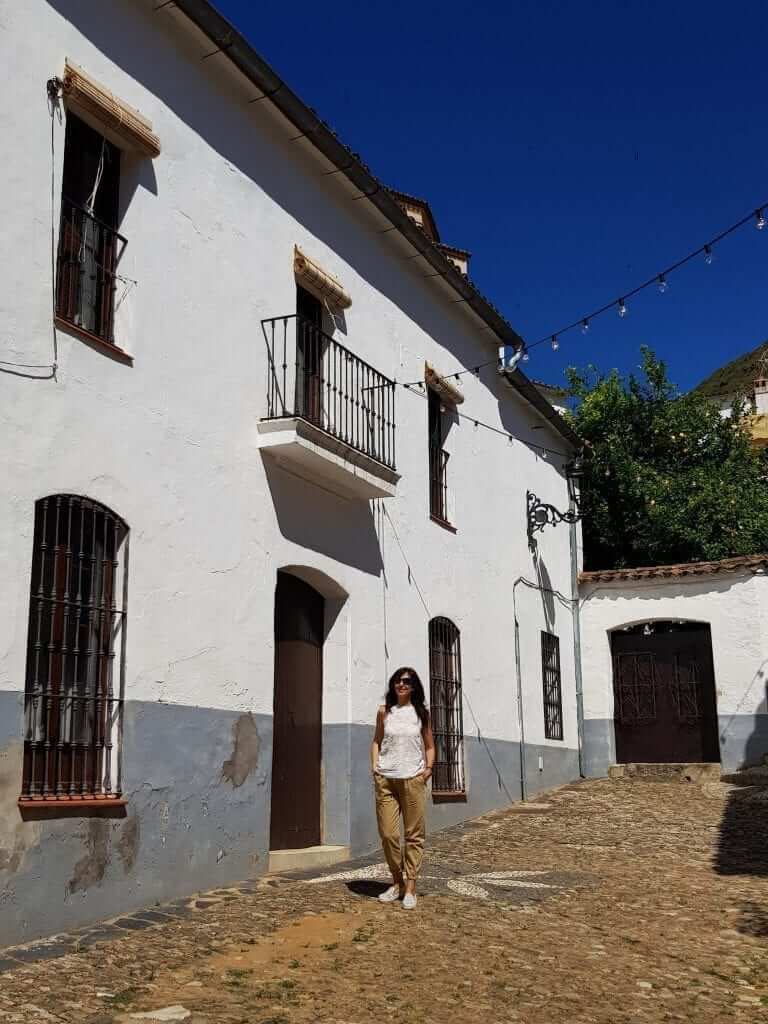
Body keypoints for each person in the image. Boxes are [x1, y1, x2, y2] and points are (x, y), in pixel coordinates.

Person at [370, 666, 435, 909]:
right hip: (386, 778)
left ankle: (410, 887)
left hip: (412, 779)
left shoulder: (421, 714)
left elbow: (429, 745)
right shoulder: (385, 712)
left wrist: (427, 770)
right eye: (397, 680)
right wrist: (375, 767)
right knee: (388, 834)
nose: (401, 684)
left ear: (414, 685)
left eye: (406, 681)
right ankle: (396, 881)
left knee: (413, 835)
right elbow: (376, 740)